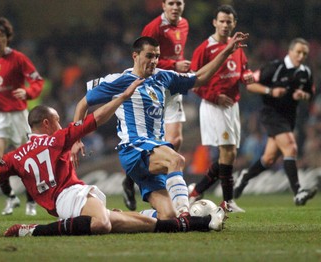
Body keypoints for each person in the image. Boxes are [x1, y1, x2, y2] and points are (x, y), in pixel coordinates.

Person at [0, 80, 226, 237]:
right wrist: (121, 98)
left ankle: (201, 223)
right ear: (46, 123)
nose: (61, 124)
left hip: (66, 205)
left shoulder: (15, 156)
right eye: (57, 120)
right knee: (103, 224)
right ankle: (31, 231)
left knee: (147, 223)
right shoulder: (57, 139)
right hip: (71, 196)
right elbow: (95, 119)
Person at [72, 34, 248, 220]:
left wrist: (227, 51)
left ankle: (119, 216)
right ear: (135, 56)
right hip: (134, 148)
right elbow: (83, 104)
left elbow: (200, 77)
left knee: (167, 216)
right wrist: (76, 139)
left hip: (153, 150)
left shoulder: (164, 77)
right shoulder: (119, 80)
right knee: (176, 160)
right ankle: (186, 214)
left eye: (156, 56)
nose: (154, 60)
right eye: (149, 56)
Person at [121, 0, 191, 211]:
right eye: (171, 3)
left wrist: (180, 70)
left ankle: (161, 182)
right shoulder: (153, 28)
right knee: (155, 140)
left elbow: (174, 55)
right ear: (163, 5)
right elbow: (146, 60)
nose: (175, 7)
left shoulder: (184, 24)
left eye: (179, 3)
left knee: (175, 139)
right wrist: (174, 65)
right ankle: (134, 179)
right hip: (154, 87)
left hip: (172, 86)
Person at [233, 38, 317, 205]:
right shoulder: (274, 67)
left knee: (269, 159)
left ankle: (245, 176)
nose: (301, 56)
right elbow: (250, 85)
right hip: (272, 115)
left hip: (289, 118)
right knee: (291, 147)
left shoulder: (305, 72)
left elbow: (311, 93)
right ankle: (298, 192)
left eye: (304, 54)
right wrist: (270, 91)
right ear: (290, 51)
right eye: (298, 52)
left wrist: (303, 95)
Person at [0, 17, 44, 216]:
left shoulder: (18, 58)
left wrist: (28, 93)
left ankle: (31, 200)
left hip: (18, 116)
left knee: (26, 159)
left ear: (7, 39)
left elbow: (37, 80)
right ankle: (11, 197)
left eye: (2, 36)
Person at [188, 5, 252, 213]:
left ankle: (196, 191)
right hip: (215, 105)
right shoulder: (204, 49)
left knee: (230, 154)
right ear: (214, 22)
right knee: (227, 150)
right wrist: (214, 96)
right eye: (221, 21)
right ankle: (228, 202)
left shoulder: (237, 48)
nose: (225, 25)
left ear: (234, 24)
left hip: (233, 105)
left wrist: (247, 76)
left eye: (229, 21)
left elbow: (242, 70)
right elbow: (192, 81)